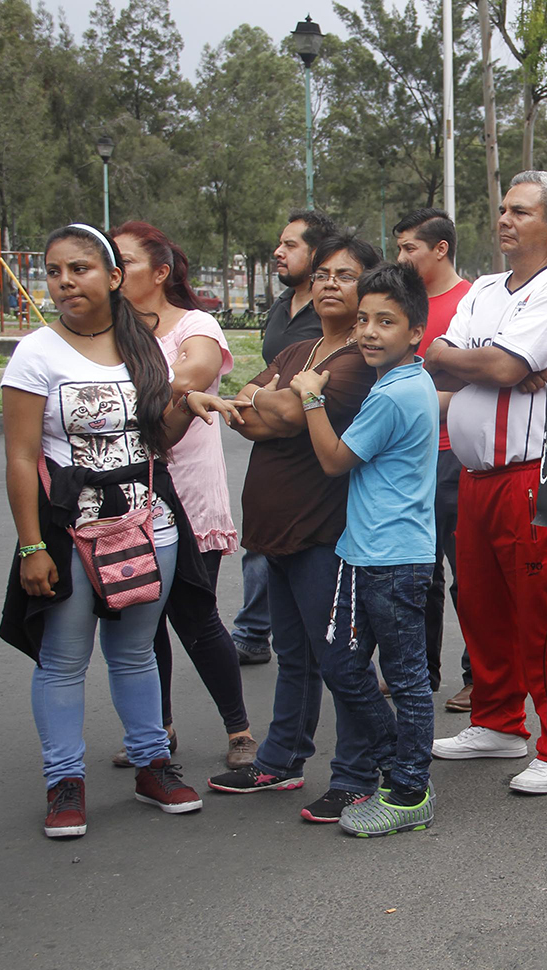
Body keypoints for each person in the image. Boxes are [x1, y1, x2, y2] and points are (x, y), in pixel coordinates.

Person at [0, 223, 241, 837]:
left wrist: (190, 404)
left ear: (111, 278)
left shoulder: (143, 349)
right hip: (70, 532)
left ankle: (152, 764)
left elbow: (156, 437)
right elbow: (22, 459)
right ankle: (64, 782)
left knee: (134, 652)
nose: (64, 282)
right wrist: (31, 546)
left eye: (79, 269)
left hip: (149, 523)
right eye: (54, 271)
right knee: (63, 659)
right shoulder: (36, 353)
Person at [423, 171, 547, 795]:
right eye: (501, 208)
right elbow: (437, 353)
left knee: (545, 616)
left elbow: (497, 362)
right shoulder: (486, 288)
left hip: (529, 476)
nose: (503, 219)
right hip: (474, 476)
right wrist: (482, 363)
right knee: (482, 607)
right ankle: (497, 723)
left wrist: (487, 363)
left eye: (519, 211)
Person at [206, 233, 385, 824]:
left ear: (369, 290)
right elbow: (243, 411)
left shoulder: (361, 359)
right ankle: (281, 759)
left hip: (324, 533)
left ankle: (359, 775)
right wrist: (269, 402)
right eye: (325, 273)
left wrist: (272, 404)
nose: (330, 283)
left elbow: (278, 413)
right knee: (293, 655)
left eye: (346, 275)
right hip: (272, 531)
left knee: (341, 659)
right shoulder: (298, 351)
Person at [290, 263, 440, 836]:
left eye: (386, 321)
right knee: (345, 667)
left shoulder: (396, 393)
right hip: (368, 555)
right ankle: (401, 765)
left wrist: (309, 398)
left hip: (393, 561)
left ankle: (407, 794)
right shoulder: (404, 382)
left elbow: (332, 460)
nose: (369, 332)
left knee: (404, 678)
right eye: (363, 321)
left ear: (415, 332)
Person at [109, 221, 256, 771]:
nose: (114, 272)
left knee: (194, 616)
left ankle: (238, 728)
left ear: (161, 271)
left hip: (188, 492)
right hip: (126, 494)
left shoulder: (196, 325)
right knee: (141, 621)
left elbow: (189, 375)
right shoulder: (110, 331)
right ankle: (159, 729)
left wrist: (105, 398)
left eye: (124, 261)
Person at [231, 209, 336, 667]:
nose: (278, 251)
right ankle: (255, 631)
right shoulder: (281, 308)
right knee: (262, 547)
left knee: (314, 577)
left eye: (290, 245)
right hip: (270, 452)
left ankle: (352, 663)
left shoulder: (331, 313)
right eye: (280, 242)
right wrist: (266, 403)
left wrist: (268, 401)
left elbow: (297, 411)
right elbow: (245, 399)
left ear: (317, 256)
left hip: (314, 462)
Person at [394, 208, 475, 712]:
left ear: (440, 248)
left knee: (468, 575)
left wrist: (420, 394)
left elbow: (481, 378)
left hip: (456, 455)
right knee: (416, 575)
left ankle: (479, 677)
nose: (401, 257)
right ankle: (420, 672)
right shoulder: (402, 303)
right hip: (407, 459)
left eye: (409, 248)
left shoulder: (472, 303)